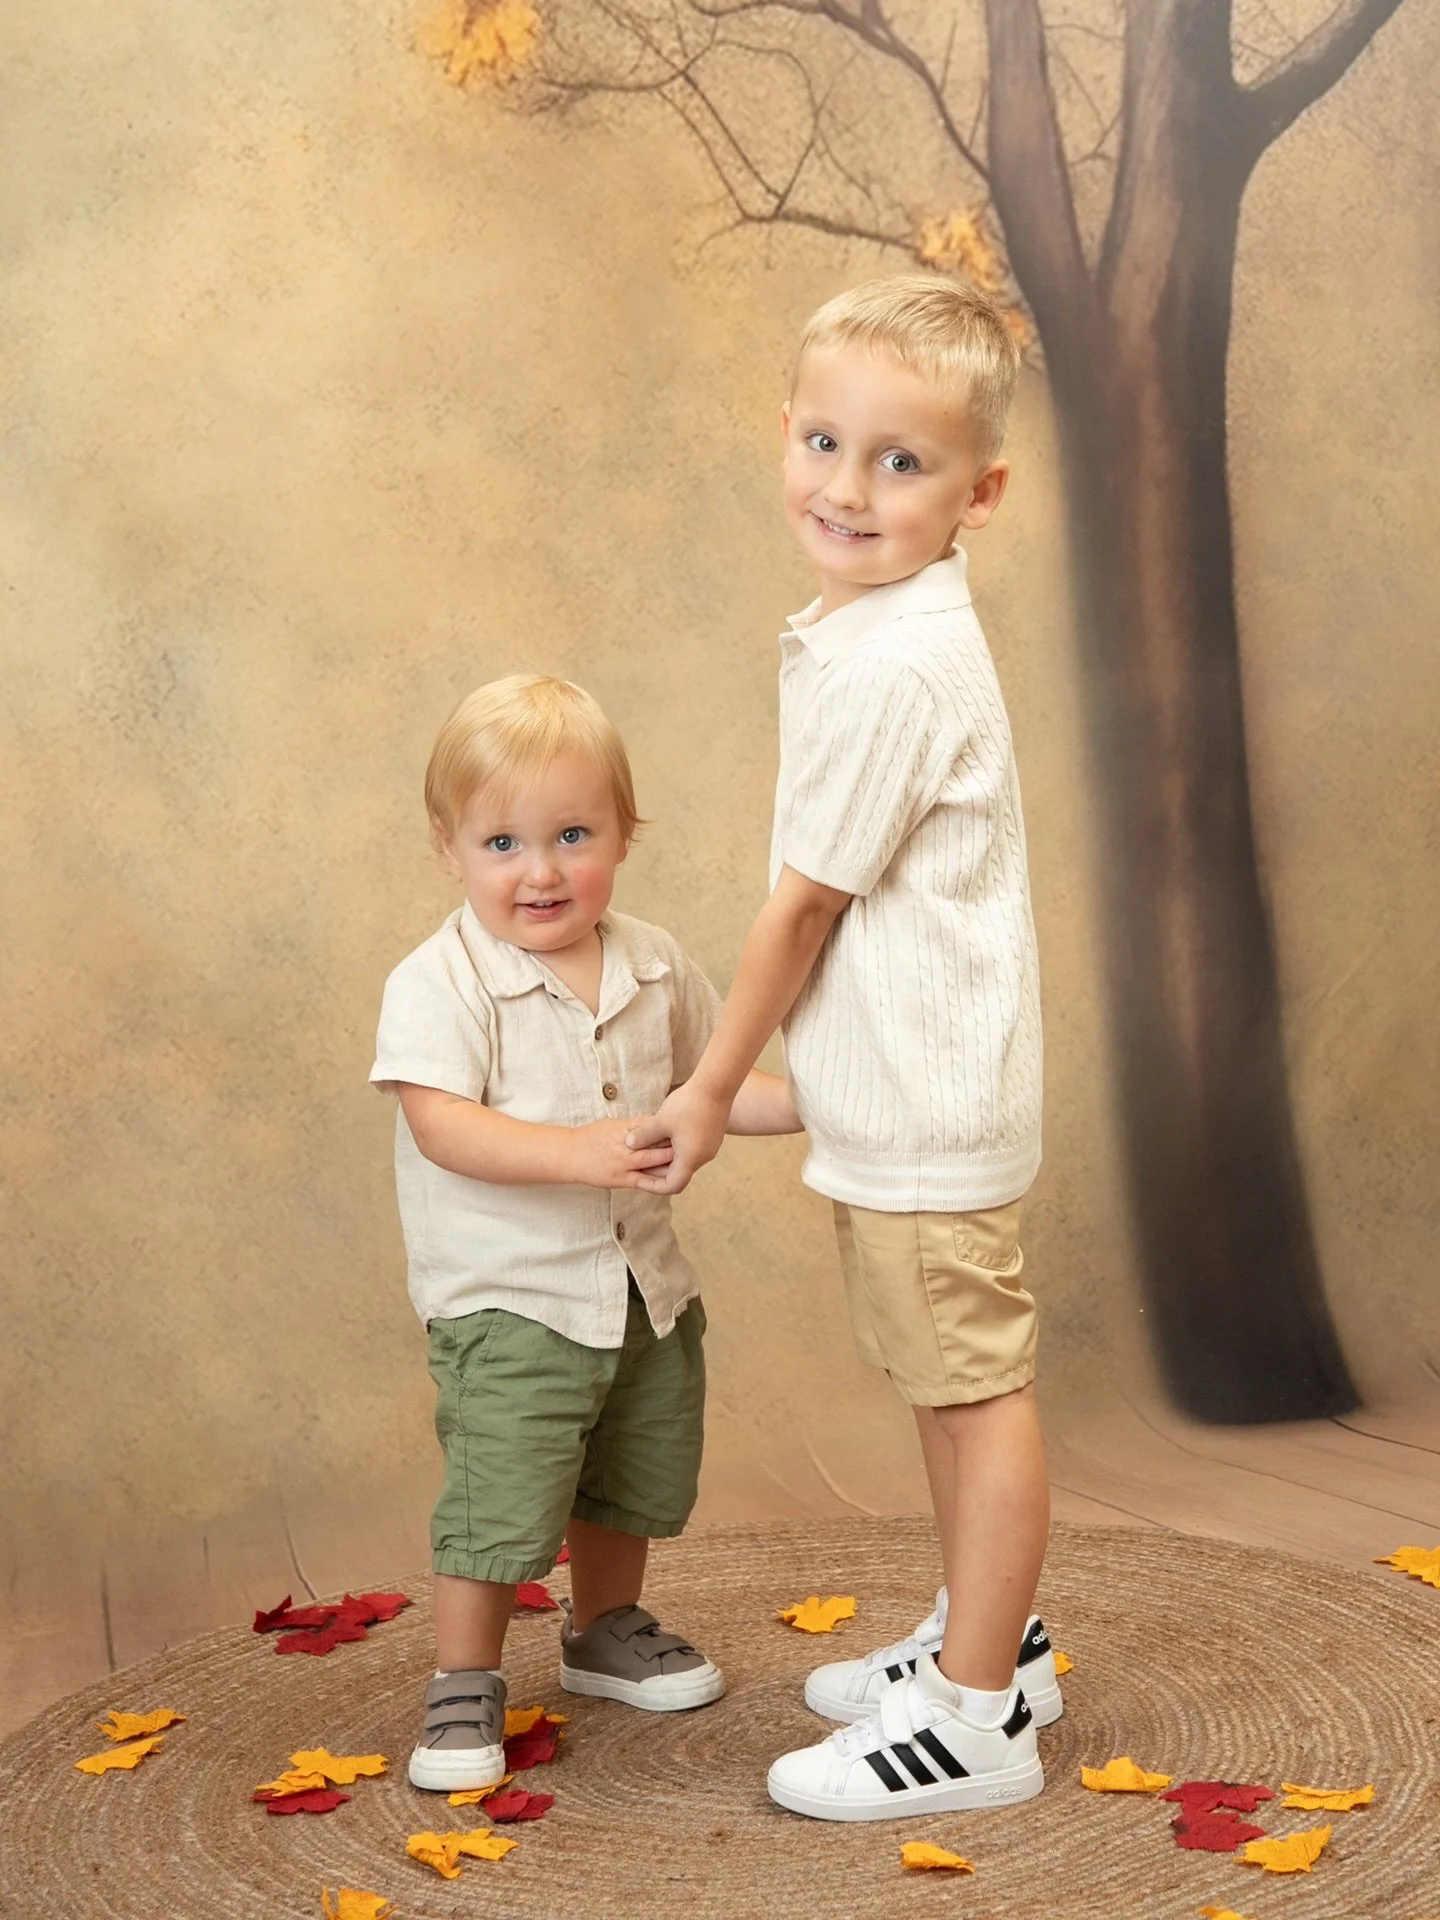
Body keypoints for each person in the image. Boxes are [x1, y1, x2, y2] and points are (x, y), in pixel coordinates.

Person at [628, 275, 1058, 1820]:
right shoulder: (867, 626)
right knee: (943, 1385)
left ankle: (979, 1719)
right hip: (906, 1092)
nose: (849, 488)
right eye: (824, 442)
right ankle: (992, 1642)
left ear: (977, 494)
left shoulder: (892, 664)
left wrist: (706, 1089)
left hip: (933, 1113)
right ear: (786, 433)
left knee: (971, 1396)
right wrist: (800, 1090)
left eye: (902, 461)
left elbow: (803, 911)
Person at [371, 673, 798, 1792]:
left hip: (640, 1285)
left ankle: (604, 1626)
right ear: (449, 848)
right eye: (502, 843)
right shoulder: (440, 981)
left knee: (628, 1467)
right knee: (501, 1489)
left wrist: (815, 1101)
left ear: (623, 832)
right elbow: (441, 1125)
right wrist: (578, 1154)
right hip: (512, 1298)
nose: (542, 871)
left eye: (573, 835)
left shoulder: (653, 962)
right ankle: (464, 1676)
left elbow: (714, 1088)